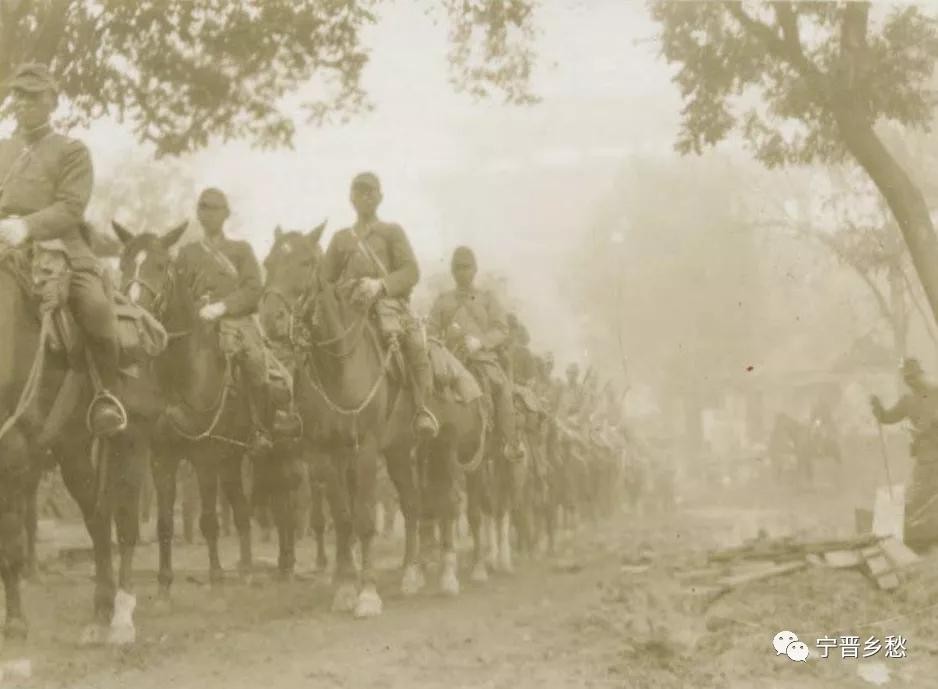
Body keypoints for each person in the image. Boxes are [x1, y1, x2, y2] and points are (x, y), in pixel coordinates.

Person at [0, 63, 125, 436]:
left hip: (60, 250)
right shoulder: (3, 149)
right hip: (3, 245)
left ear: (52, 101)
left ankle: (106, 397)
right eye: (18, 95)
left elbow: (71, 207)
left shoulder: (71, 151)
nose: (23, 102)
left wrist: (26, 226)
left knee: (97, 310)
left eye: (33, 95)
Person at [166, 187, 296, 454]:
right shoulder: (188, 253)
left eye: (216, 209)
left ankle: (261, 428)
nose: (209, 214)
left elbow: (253, 288)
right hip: (197, 322)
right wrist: (195, 308)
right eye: (204, 208)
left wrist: (222, 306)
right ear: (198, 214)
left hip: (236, 321)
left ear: (226, 214)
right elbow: (177, 292)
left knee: (255, 361)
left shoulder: (240, 250)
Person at [319, 172, 437, 436]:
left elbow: (411, 271)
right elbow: (325, 280)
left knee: (416, 346)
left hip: (389, 309)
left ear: (380, 197)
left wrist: (380, 285)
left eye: (370, 191)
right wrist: (345, 289)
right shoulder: (340, 238)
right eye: (359, 191)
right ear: (351, 198)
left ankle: (422, 409)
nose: (365, 197)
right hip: (349, 311)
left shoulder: (391, 232)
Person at [428, 246, 524, 459]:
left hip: (483, 359)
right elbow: (431, 332)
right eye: (458, 268)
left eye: (467, 267)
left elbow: (502, 329)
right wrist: (444, 341)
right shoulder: (443, 301)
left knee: (501, 388)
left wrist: (480, 342)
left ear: (474, 270)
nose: (462, 272)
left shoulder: (487, 299)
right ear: (452, 271)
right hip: (450, 361)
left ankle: (510, 442)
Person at [871, 357, 938, 552]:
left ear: (921, 374)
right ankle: (915, 536)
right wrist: (878, 409)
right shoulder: (907, 401)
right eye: (907, 378)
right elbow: (887, 417)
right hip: (925, 457)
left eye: (914, 376)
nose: (911, 381)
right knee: (918, 496)